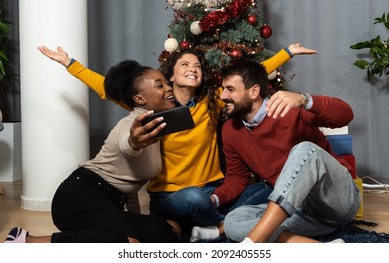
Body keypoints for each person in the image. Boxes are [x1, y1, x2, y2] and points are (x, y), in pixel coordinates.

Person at [37, 44, 317, 241]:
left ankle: (218, 221)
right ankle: (225, 223)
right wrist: (71, 65)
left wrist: (287, 53)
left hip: (214, 191)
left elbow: (248, 80)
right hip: (173, 197)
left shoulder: (211, 103)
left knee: (266, 187)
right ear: (170, 75)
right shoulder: (152, 109)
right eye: (184, 64)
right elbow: (107, 90)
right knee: (193, 198)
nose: (192, 68)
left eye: (197, 65)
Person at [5, 59, 181, 243]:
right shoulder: (131, 125)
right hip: (79, 196)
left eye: (166, 83)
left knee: (168, 230)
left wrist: (134, 221)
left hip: (109, 201)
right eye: (160, 85)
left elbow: (130, 185)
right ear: (139, 99)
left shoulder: (155, 126)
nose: (169, 88)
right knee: (127, 242)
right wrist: (134, 142)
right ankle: (26, 241)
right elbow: (128, 144)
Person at [213, 59, 361, 243]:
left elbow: (345, 116)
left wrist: (304, 99)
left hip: (337, 201)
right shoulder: (230, 130)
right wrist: (215, 198)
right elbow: (237, 177)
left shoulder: (291, 110)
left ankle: (252, 243)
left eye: (230, 89)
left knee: (305, 149)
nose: (222, 95)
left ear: (253, 91)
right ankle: (321, 250)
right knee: (233, 220)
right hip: (303, 212)